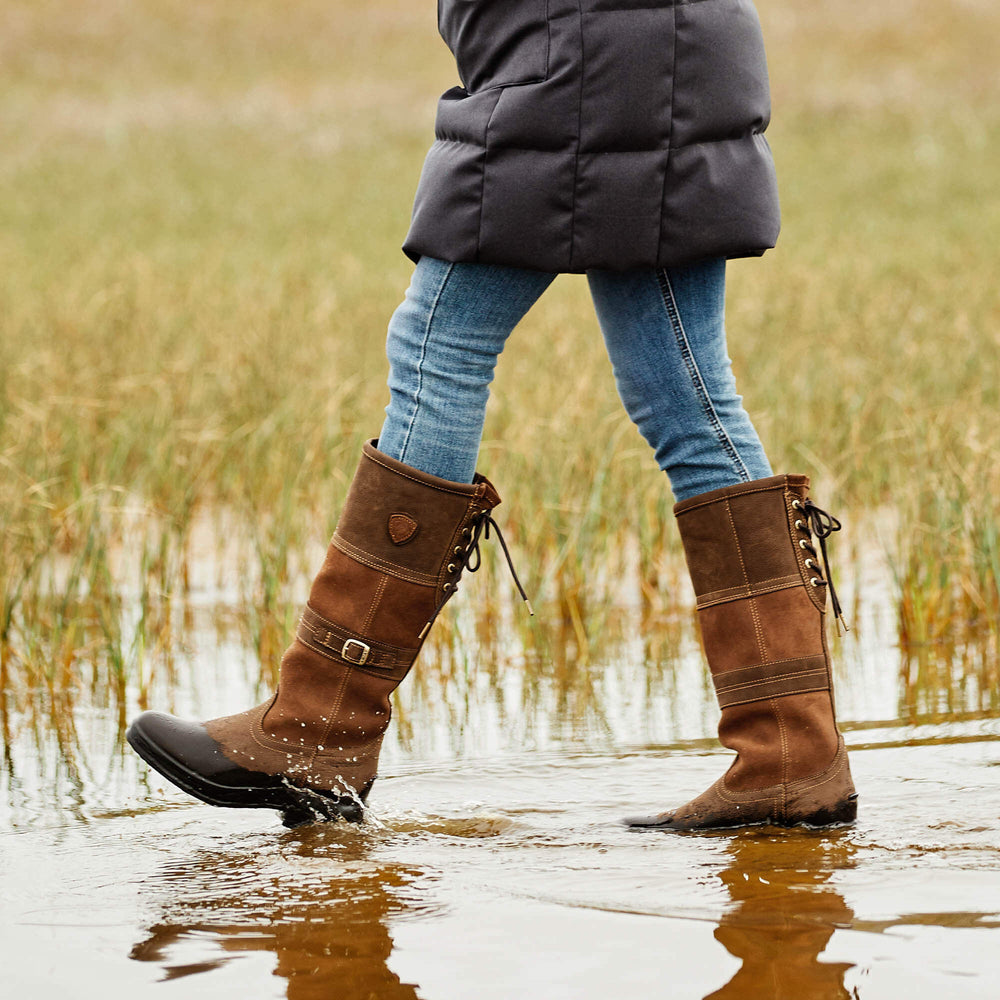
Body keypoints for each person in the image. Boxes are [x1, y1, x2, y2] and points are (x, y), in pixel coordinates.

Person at [127, 0, 857, 830]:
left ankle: (319, 724)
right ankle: (790, 753)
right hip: (631, 55)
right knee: (682, 389)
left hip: (588, 59)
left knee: (443, 343)